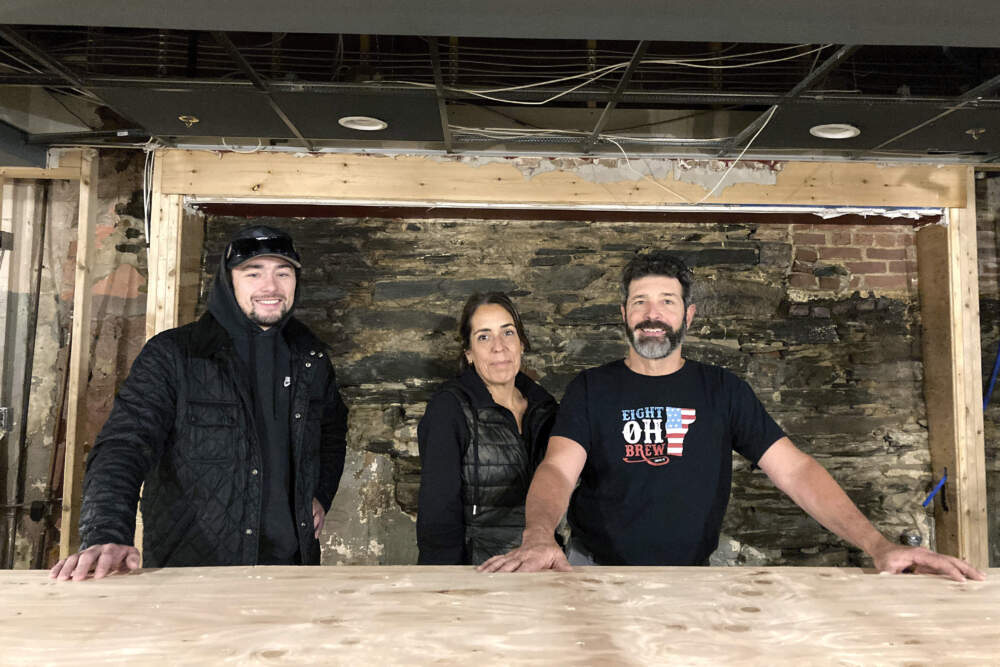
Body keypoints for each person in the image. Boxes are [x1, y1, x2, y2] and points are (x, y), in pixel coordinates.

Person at [479, 251, 985, 582]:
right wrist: (539, 535)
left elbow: (796, 471)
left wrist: (878, 545)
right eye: (640, 301)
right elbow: (557, 469)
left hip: (695, 578)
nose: (652, 314)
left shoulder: (722, 390)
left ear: (689, 316)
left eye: (667, 301)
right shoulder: (593, 387)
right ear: (624, 313)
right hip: (594, 572)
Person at [51, 225, 349, 580]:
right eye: (253, 273)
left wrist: (319, 494)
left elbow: (331, 432)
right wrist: (106, 534)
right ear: (228, 281)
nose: (270, 287)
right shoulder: (175, 355)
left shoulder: (310, 357)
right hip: (194, 567)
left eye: (282, 273)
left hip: (292, 565)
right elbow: (124, 445)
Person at [417, 293, 558, 565]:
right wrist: (447, 588)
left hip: (539, 565)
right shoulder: (450, 409)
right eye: (484, 336)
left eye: (508, 333)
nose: (499, 347)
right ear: (469, 353)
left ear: (522, 344)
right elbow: (438, 514)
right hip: (478, 571)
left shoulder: (545, 408)